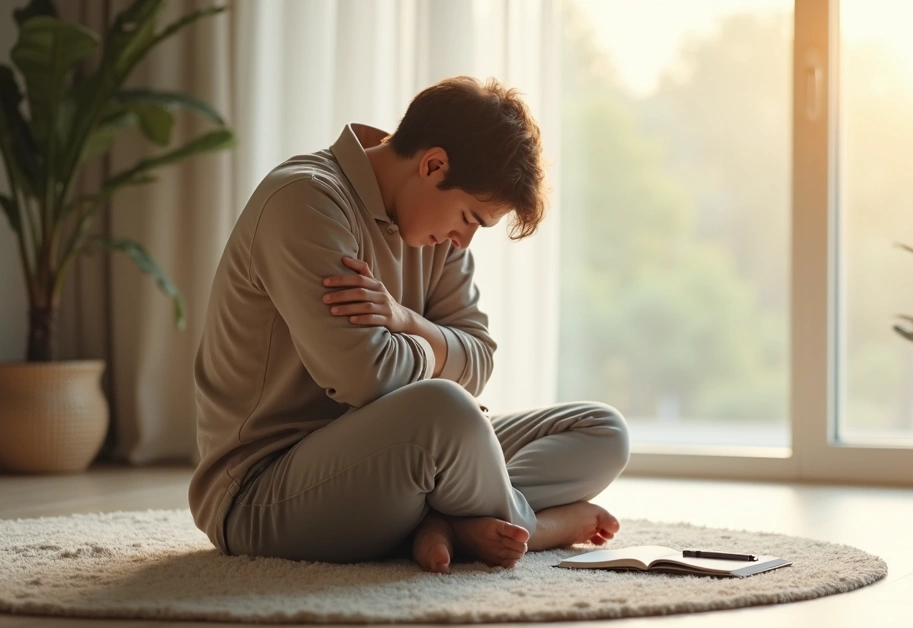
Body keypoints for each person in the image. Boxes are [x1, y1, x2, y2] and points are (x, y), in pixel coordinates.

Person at [188, 76, 629, 573]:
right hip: (263, 491)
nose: (465, 240)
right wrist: (437, 353)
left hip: (401, 458)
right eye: (471, 218)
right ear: (433, 165)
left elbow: (479, 360)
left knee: (602, 429)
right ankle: (537, 528)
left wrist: (406, 321)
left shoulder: (437, 234)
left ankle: (447, 522)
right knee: (446, 409)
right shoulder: (305, 200)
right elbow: (366, 377)